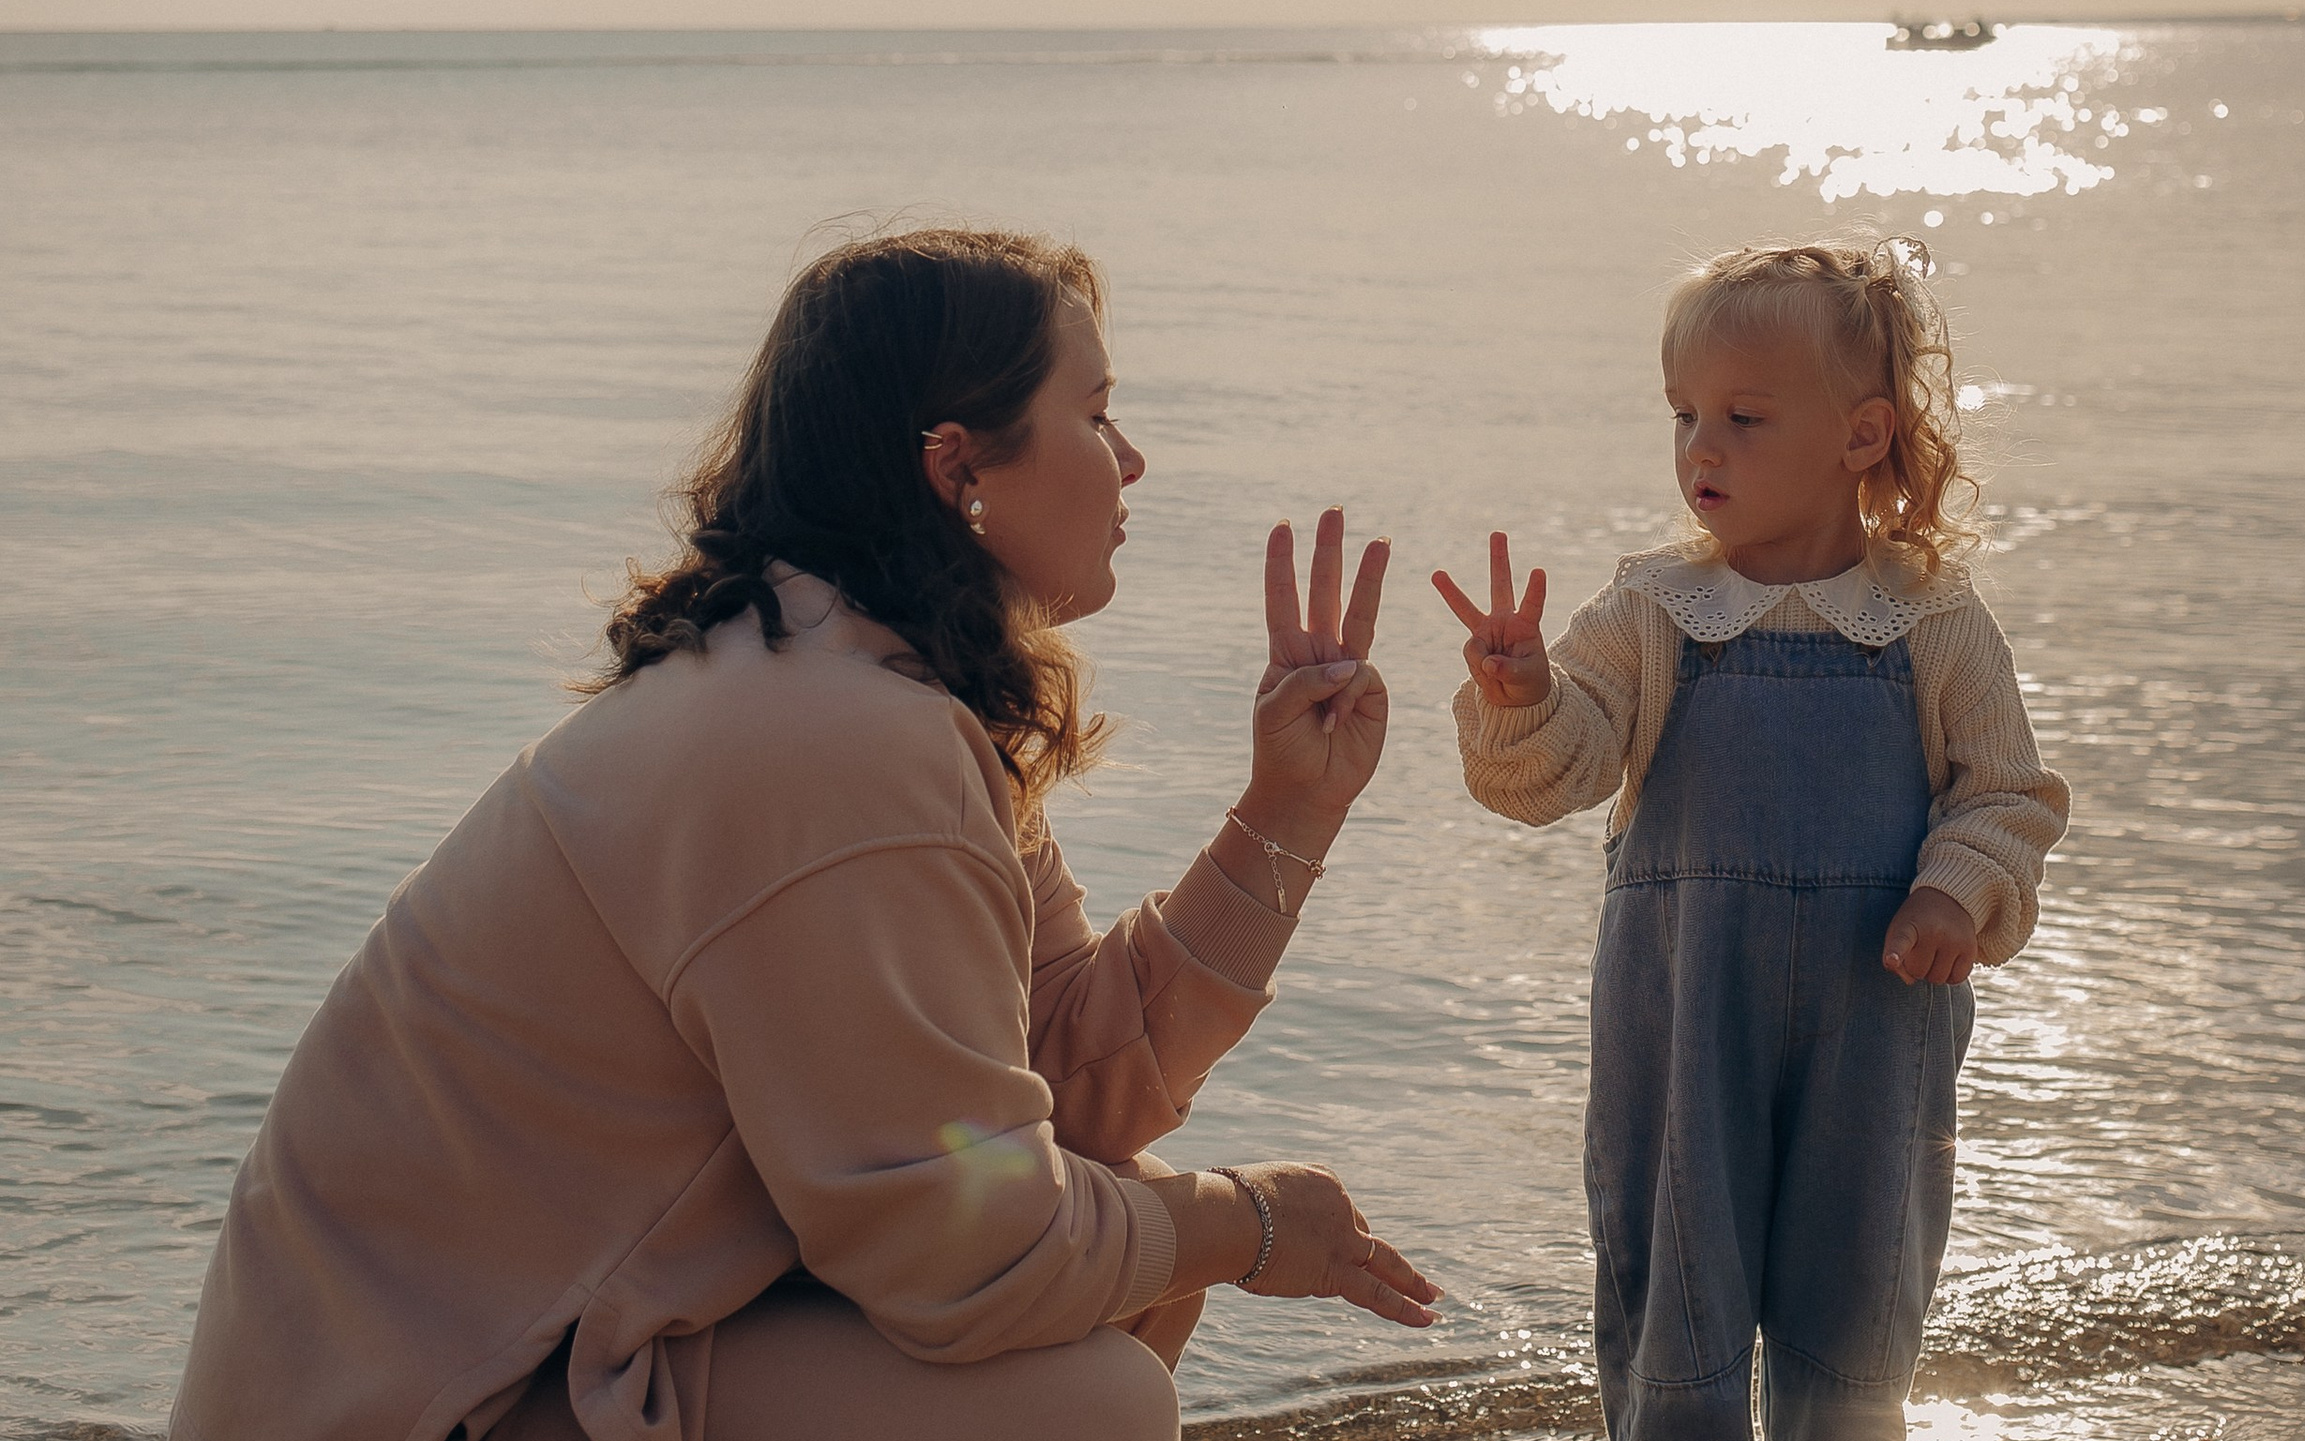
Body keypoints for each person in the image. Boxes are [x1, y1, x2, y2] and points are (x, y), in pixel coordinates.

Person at [169, 227, 1439, 1441]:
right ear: (959, 469)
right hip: (420, 1404)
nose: (1132, 459)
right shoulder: (835, 745)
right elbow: (973, 1259)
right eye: (1096, 413)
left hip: (524, 1351)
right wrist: (1254, 1224)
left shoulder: (855, 687)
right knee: (1087, 1400)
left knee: (1134, 1279)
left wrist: (1289, 808)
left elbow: (1067, 1077)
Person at [1430, 236, 2069, 1440]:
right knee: (1675, 1286)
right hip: (1683, 1014)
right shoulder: (1656, 608)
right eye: (1682, 415)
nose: (1700, 449)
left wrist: (1953, 893)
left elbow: (2007, 794)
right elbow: (1557, 770)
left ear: (1861, 435)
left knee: (1859, 1300)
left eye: (1743, 417)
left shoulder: (1927, 619)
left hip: (1877, 1019)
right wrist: (1522, 698)